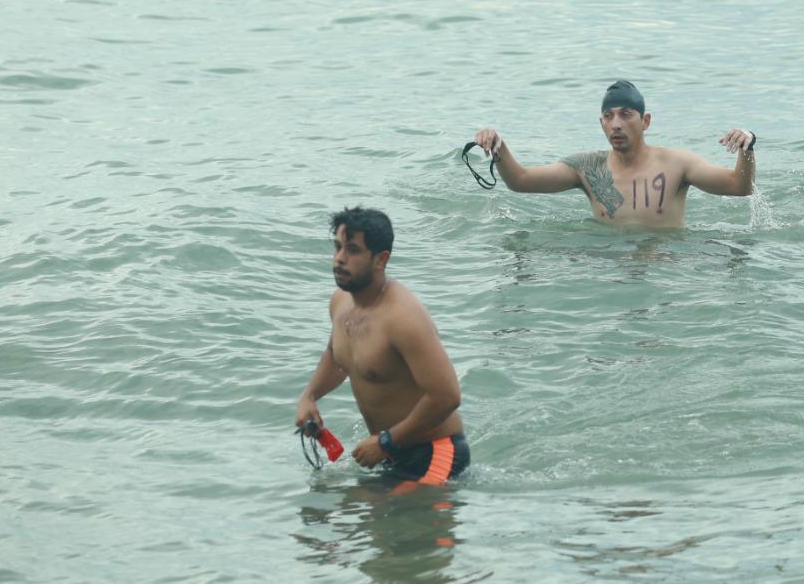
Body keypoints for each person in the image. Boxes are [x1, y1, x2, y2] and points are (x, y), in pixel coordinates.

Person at [295, 206, 468, 483]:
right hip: (391, 453)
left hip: (437, 453)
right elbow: (337, 356)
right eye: (337, 247)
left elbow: (447, 396)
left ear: (380, 260)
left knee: (378, 518)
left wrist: (386, 442)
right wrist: (309, 397)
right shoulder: (341, 301)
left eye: (352, 250)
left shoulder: (403, 318)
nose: (339, 259)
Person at [473, 80, 755, 229]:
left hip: (667, 267)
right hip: (608, 270)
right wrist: (499, 147)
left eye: (625, 114)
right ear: (601, 124)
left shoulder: (677, 164)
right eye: (608, 116)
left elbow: (739, 187)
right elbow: (521, 181)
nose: (616, 123)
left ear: (645, 121)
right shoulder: (588, 168)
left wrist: (747, 146)